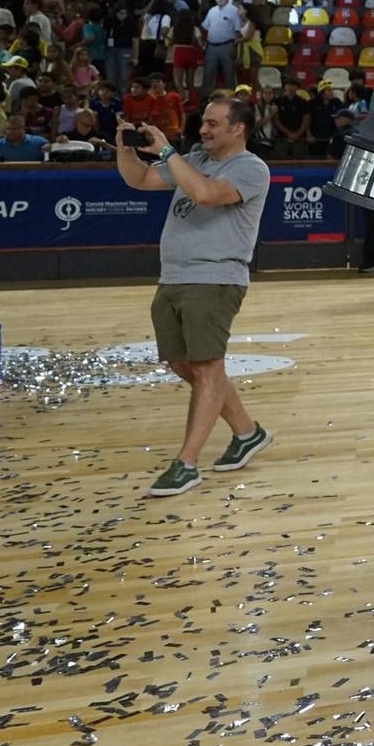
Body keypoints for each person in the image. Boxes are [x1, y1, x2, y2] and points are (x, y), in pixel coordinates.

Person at [113, 98, 273, 495]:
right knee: (186, 365)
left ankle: (185, 463)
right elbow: (139, 180)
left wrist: (168, 150)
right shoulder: (195, 158)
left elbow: (204, 194)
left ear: (238, 129)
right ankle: (247, 432)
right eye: (203, 122)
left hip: (215, 278)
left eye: (213, 123)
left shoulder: (251, 168)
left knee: (205, 367)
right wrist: (125, 147)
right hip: (173, 277)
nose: (203, 130)